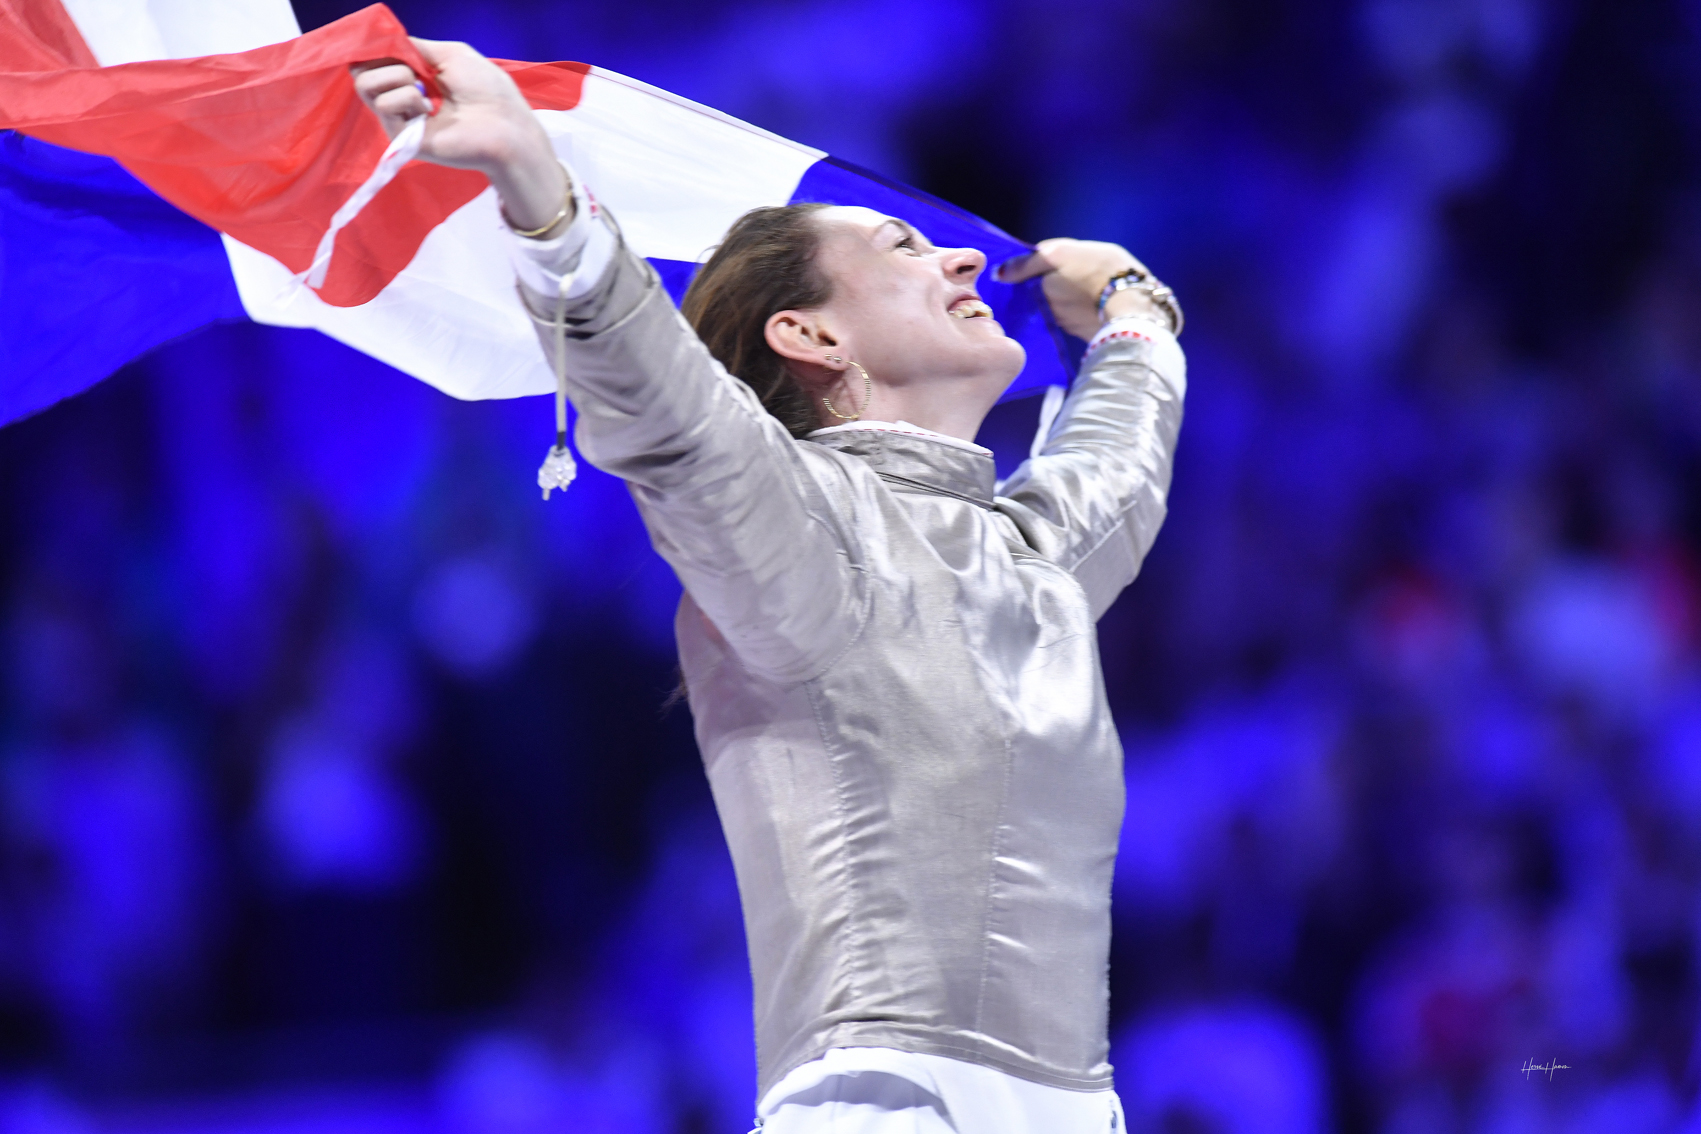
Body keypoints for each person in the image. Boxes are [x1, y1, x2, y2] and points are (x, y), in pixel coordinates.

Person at [354, 37, 1186, 1134]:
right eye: (907, 247)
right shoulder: (801, 534)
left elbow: (1120, 463)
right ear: (809, 333)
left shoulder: (1025, 561)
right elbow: (662, 404)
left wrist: (1132, 305)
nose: (968, 263)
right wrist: (534, 179)